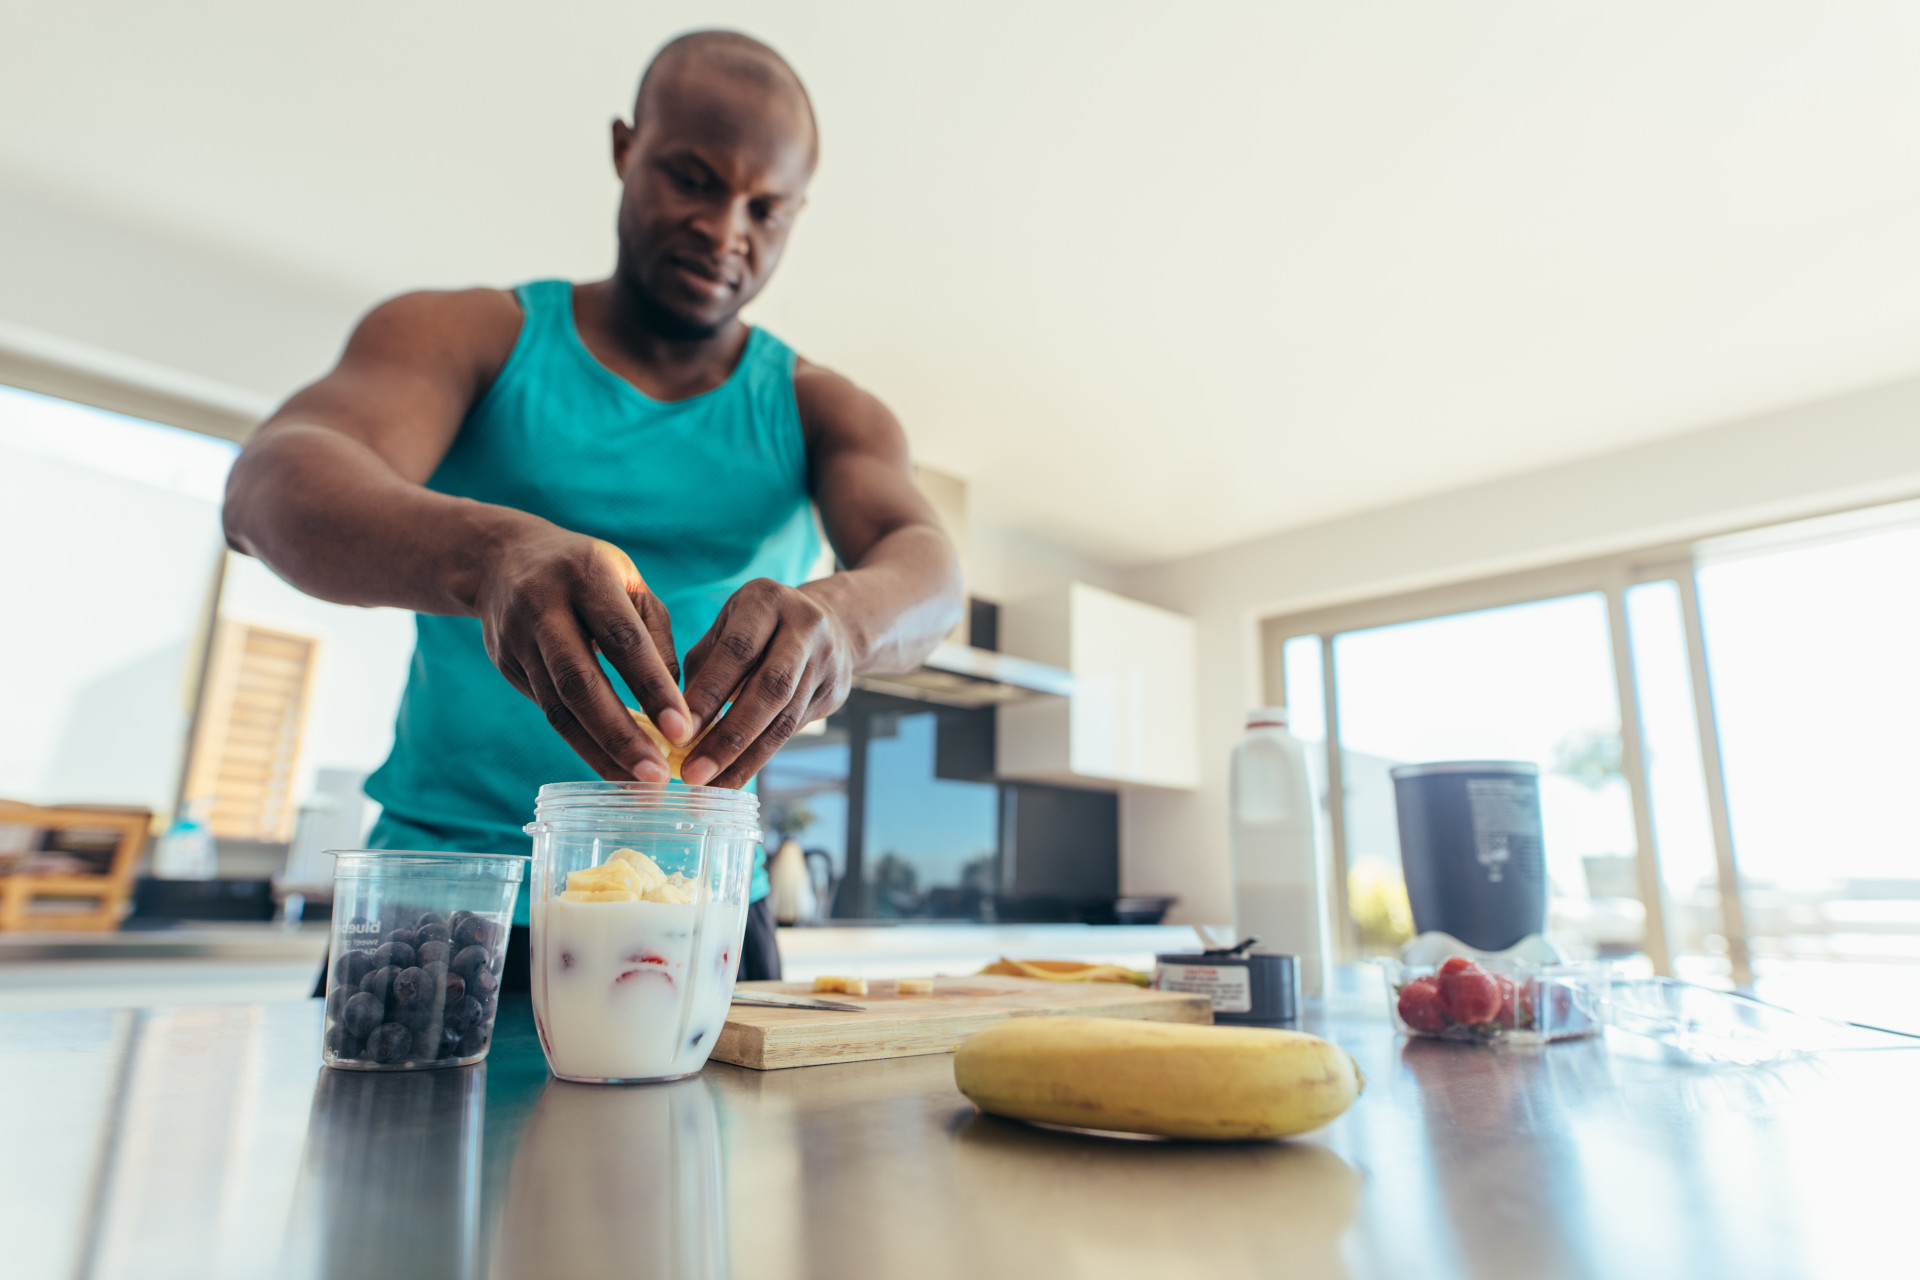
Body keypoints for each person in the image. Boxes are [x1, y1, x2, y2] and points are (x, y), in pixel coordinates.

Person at [224, 30, 962, 988]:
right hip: (450, 898)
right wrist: (487, 553)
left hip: (699, 909)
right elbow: (267, 486)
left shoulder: (821, 408)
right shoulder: (471, 335)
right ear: (626, 149)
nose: (726, 228)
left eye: (766, 209)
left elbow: (931, 570)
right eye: (693, 178)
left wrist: (846, 622)